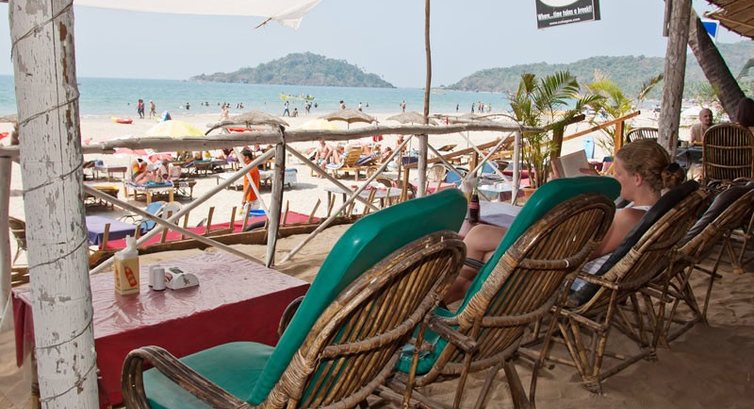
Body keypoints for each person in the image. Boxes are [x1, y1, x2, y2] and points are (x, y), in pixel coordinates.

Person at [442, 139, 683, 305]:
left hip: (566, 278)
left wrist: (565, 207)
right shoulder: (650, 210)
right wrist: (596, 186)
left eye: (617, 174)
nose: (613, 178)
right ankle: (456, 296)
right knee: (485, 252)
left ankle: (450, 300)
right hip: (576, 270)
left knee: (478, 236)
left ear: (637, 179)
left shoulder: (629, 218)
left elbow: (582, 251)